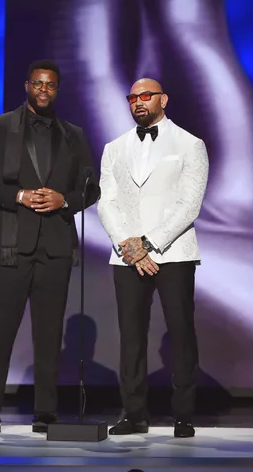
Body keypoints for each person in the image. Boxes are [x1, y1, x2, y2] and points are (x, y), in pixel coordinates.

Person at [0, 60, 100, 435]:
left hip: (55, 246)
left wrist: (65, 201)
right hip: (10, 245)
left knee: (48, 332)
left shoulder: (74, 134)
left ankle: (46, 413)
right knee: (1, 330)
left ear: (58, 90)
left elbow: (92, 188)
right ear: (27, 86)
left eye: (51, 85)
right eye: (38, 83)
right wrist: (20, 195)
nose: (44, 90)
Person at [97, 78, 208, 437]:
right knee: (130, 336)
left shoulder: (190, 144)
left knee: (181, 333)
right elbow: (106, 202)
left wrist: (148, 243)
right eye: (133, 97)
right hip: (127, 256)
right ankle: (133, 414)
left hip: (173, 252)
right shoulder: (114, 148)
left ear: (163, 99)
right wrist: (127, 245)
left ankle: (183, 415)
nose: (138, 102)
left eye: (146, 96)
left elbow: (189, 205)